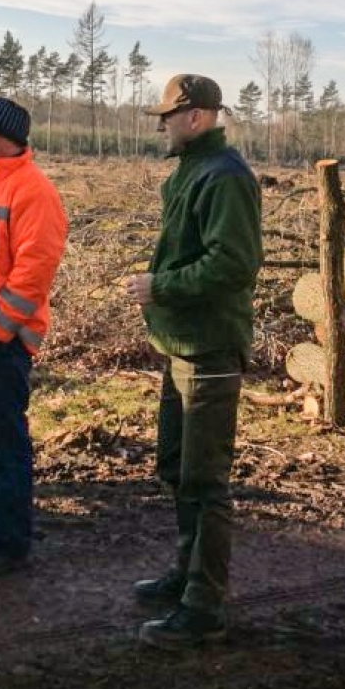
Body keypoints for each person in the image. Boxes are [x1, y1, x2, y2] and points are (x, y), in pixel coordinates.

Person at [123, 73, 262, 650]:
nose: (161, 125)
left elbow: (233, 265)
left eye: (168, 116)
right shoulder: (192, 171)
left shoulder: (224, 177)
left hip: (208, 348)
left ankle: (204, 607)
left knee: (205, 482)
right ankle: (186, 576)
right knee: (177, 468)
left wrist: (161, 286)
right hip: (179, 345)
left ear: (198, 117)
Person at [0, 97, 68, 578]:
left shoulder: (33, 190)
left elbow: (33, 271)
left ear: (6, 137)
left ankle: (7, 541)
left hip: (0, 343)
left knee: (2, 440)